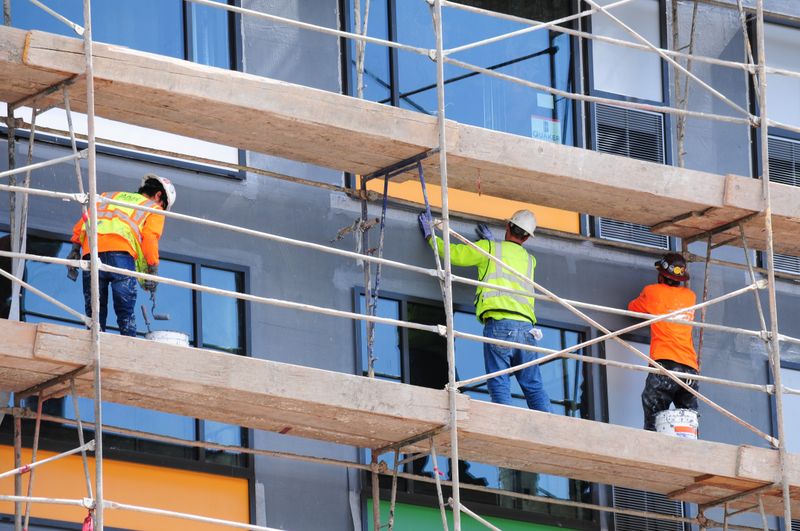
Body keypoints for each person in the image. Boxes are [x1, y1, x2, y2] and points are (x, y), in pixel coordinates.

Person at [417, 209, 551, 412]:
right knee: (532, 384)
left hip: (499, 326)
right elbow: (508, 260)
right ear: (526, 238)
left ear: (508, 226)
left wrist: (430, 236)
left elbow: (454, 255)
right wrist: (493, 245)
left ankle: (504, 421)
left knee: (499, 382)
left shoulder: (489, 249)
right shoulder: (529, 260)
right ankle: (547, 421)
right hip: (527, 331)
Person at [66, 173, 176, 336]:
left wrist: (75, 249)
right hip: (121, 256)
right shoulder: (153, 208)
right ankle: (129, 345)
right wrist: (152, 270)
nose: (162, 207)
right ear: (159, 195)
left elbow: (84, 221)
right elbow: (150, 239)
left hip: (91, 253)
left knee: (95, 311)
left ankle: (93, 343)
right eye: (163, 204)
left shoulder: (107, 196)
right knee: (125, 311)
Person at [628, 252, 699, 431]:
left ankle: (653, 448)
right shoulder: (691, 297)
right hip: (690, 368)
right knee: (688, 420)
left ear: (661, 274)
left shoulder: (652, 291)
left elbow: (632, 309)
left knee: (654, 411)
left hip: (665, 364)